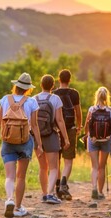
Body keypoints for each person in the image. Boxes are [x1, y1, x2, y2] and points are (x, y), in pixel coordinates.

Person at [0, 73, 43, 218]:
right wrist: (40, 145)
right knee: (21, 177)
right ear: (28, 88)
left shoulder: (6, 99)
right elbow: (35, 125)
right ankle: (17, 207)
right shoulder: (31, 102)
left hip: (8, 141)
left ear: (15, 86)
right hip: (25, 142)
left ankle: (9, 199)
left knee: (10, 176)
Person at [34, 74, 70, 204]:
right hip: (51, 135)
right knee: (54, 167)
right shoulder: (55, 99)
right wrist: (66, 138)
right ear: (53, 86)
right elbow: (60, 120)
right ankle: (50, 193)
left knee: (42, 167)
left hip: (37, 137)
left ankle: (44, 194)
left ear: (41, 85)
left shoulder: (34, 99)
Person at [84, 86, 111, 201]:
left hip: (93, 140)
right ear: (106, 97)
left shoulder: (91, 109)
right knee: (101, 167)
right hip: (106, 140)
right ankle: (100, 192)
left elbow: (86, 126)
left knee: (94, 167)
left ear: (97, 96)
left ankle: (94, 188)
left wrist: (87, 136)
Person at [53, 69, 82, 201]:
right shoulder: (74, 93)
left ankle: (58, 186)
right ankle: (64, 184)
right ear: (69, 80)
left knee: (57, 160)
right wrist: (79, 126)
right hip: (70, 128)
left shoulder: (54, 94)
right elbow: (78, 112)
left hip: (55, 130)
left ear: (59, 79)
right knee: (68, 160)